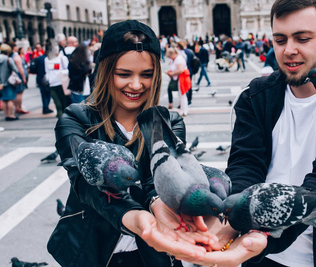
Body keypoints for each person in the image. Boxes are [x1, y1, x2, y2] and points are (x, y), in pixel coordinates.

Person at [185, 0, 316, 267]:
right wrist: (232, 219)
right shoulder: (255, 97)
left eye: (302, 38)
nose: (289, 50)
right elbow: (245, 164)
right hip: (261, 258)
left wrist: (268, 238)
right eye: (280, 39)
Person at [47, 20, 215, 267]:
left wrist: (156, 203)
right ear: (105, 71)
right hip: (92, 250)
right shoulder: (76, 119)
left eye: (146, 75)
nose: (136, 85)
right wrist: (132, 216)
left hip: (155, 252)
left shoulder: (168, 122)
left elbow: (157, 178)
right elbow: (85, 183)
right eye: (124, 74)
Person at [44, 39, 69, 118]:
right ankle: (59, 113)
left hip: (61, 82)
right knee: (56, 100)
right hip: (52, 83)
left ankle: (64, 114)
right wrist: (48, 79)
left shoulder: (62, 58)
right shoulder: (46, 60)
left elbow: (67, 69)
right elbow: (47, 71)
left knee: (63, 100)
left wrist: (62, 73)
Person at [166, 47, 190, 116]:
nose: (170, 58)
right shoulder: (177, 59)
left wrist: (172, 73)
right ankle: (183, 110)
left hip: (182, 78)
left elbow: (181, 70)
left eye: (170, 56)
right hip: (180, 78)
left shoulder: (179, 59)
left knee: (182, 95)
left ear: (173, 54)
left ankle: (184, 110)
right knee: (181, 95)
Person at [0, 43, 20, 121]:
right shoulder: (8, 59)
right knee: (10, 99)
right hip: (9, 82)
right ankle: (11, 115)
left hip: (0, 83)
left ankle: (6, 115)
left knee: (4, 99)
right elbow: (16, 70)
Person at [34, 47, 53, 115]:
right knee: (48, 94)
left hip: (40, 78)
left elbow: (35, 68)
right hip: (46, 78)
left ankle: (45, 107)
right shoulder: (48, 59)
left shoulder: (39, 58)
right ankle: (46, 107)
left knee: (44, 94)